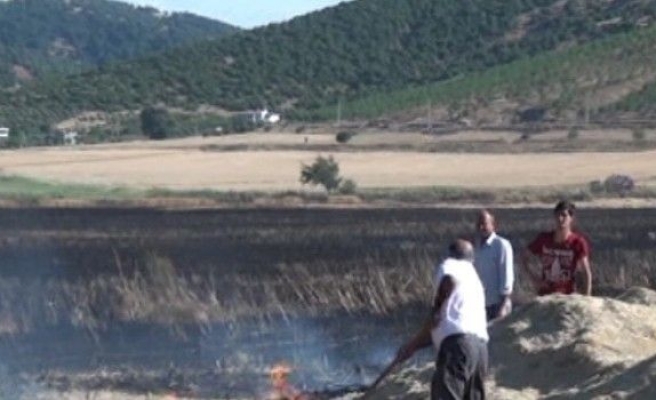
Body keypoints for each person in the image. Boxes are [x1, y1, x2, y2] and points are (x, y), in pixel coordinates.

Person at [394, 239, 488, 400]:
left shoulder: (450, 265)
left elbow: (448, 283)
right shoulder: (473, 278)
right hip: (479, 350)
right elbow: (449, 325)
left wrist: (438, 304)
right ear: (471, 259)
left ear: (450, 254)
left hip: (457, 348)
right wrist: (413, 346)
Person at [521, 200, 592, 296]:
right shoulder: (544, 239)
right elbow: (524, 257)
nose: (560, 218)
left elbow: (586, 272)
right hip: (545, 296)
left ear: (571, 218)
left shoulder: (577, 242)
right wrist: (534, 279)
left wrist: (587, 299)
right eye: (557, 215)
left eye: (564, 215)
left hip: (567, 296)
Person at [474, 209, 514, 321]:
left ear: (493, 225)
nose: (481, 227)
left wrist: (503, 306)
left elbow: (506, 276)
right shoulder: (476, 246)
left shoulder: (501, 245)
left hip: (497, 305)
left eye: (484, 224)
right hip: (480, 305)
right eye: (479, 224)